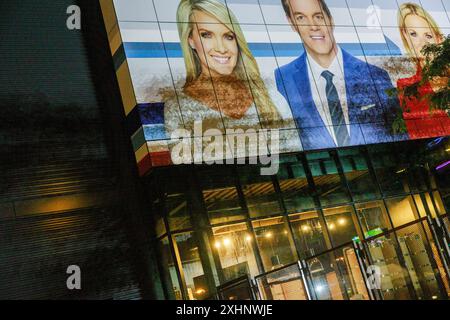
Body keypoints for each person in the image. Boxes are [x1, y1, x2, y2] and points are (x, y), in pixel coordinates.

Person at [164, 0, 300, 160]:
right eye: (206, 35)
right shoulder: (178, 108)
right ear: (190, 40)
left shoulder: (269, 94)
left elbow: (295, 155)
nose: (221, 48)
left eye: (229, 36)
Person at [275, 0, 407, 150]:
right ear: (291, 23)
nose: (313, 26)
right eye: (301, 18)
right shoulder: (283, 78)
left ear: (330, 19)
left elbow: (400, 135)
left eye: (318, 16)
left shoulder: (375, 75)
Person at [397, 2, 450, 139]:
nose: (422, 43)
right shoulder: (406, 88)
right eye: (413, 34)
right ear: (406, 36)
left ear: (438, 39)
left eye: (428, 36)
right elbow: (417, 137)